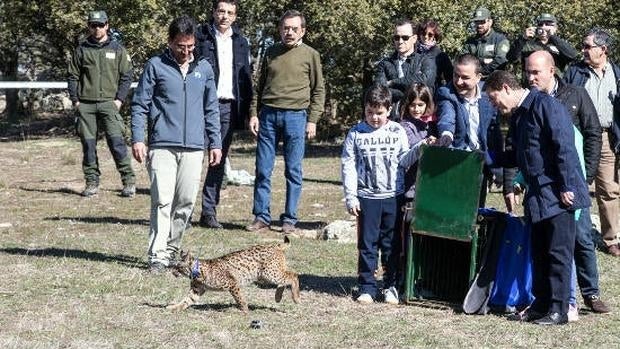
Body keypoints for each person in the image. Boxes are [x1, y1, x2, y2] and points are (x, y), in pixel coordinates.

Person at [486, 70, 590, 325]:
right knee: (540, 253)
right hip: (537, 195)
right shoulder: (519, 115)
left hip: (558, 192)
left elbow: (564, 146)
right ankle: (541, 304)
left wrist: (567, 186)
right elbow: (517, 156)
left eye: (493, 98)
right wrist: (487, 156)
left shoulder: (546, 105)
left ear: (506, 88)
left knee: (558, 253)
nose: (494, 104)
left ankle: (559, 309)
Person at [130, 15, 222, 273]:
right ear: (170, 42)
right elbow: (140, 105)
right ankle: (157, 255)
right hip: (162, 145)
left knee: (185, 203)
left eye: (190, 46)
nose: (186, 51)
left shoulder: (204, 69)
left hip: (194, 147)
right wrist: (138, 138)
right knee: (162, 200)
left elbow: (211, 108)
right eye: (181, 46)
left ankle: (172, 251)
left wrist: (214, 142)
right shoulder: (155, 65)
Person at [525, 50, 610, 314]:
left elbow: (593, 133)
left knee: (582, 237)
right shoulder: (530, 100)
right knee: (552, 243)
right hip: (548, 185)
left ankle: (591, 292)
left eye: (535, 72)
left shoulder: (575, 94)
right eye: (527, 72)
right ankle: (557, 299)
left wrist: (585, 176)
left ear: (551, 70)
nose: (530, 77)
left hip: (572, 182)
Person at [341, 84, 431, 305]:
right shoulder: (355, 133)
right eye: (370, 112)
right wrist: (351, 196)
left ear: (389, 110)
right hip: (367, 198)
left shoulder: (397, 131)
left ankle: (391, 285)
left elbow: (404, 160)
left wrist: (420, 148)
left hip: (393, 197)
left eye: (379, 113)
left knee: (392, 245)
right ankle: (367, 287)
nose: (374, 117)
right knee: (367, 244)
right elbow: (348, 166)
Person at [246, 10, 326, 234]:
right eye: (285, 28)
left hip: (296, 116)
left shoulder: (311, 55)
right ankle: (261, 216)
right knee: (263, 169)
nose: (289, 32)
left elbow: (319, 90)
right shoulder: (271, 52)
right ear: (280, 29)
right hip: (268, 116)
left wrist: (313, 120)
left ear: (302, 30)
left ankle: (289, 219)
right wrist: (254, 113)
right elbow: (258, 87)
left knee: (293, 170)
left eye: (294, 28)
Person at [195, 0, 253, 229]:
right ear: (213, 13)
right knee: (191, 157)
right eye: (221, 11)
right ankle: (182, 210)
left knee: (217, 161)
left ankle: (208, 212)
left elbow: (246, 77)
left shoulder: (241, 42)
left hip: (228, 107)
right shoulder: (200, 37)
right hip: (201, 107)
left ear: (235, 16)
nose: (225, 16)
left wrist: (249, 111)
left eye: (230, 12)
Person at [564, 27, 620, 257]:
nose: (583, 50)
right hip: (580, 136)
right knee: (577, 185)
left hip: (607, 137)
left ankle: (612, 238)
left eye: (588, 46)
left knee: (609, 189)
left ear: (603, 49)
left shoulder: (617, 73)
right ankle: (573, 234)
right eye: (584, 46)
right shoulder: (574, 72)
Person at [67, 10, 136, 197]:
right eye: (93, 25)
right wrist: (75, 101)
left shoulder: (118, 49)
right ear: (89, 27)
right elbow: (73, 76)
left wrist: (119, 100)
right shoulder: (81, 50)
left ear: (107, 25)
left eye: (100, 25)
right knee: (88, 145)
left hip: (109, 104)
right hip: (86, 106)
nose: (97, 29)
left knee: (117, 142)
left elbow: (127, 75)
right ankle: (91, 182)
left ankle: (128, 181)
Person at [436, 54, 503, 207]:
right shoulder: (446, 93)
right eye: (455, 75)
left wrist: (498, 169)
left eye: (465, 78)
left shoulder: (489, 95)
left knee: (475, 210)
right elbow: (447, 117)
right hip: (455, 162)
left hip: (481, 162)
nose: (459, 82)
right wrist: (446, 135)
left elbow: (495, 134)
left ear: (478, 77)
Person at [374, 19, 436, 120]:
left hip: (420, 123)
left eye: (405, 38)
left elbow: (426, 82)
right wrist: (411, 93)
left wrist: (393, 82)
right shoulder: (384, 63)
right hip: (392, 121)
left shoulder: (426, 60)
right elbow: (380, 92)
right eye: (396, 37)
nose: (400, 41)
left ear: (414, 38)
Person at [507, 13, 578, 84]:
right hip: (532, 86)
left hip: (555, 88)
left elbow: (572, 56)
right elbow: (511, 58)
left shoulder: (560, 46)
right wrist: (522, 38)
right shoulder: (527, 45)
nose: (544, 27)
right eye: (540, 24)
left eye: (548, 24)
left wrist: (553, 37)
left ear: (556, 28)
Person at [462, 6, 510, 79]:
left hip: (494, 81)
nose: (479, 25)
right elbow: (464, 59)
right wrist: (483, 60)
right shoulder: (470, 41)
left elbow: (501, 60)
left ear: (490, 22)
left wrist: (482, 71)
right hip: (473, 81)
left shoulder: (500, 39)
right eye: (477, 22)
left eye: (482, 22)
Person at [416, 19, 453, 88]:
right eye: (423, 33)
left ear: (435, 36)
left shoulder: (441, 56)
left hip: (432, 94)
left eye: (430, 35)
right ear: (419, 34)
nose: (426, 37)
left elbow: (450, 79)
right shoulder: (412, 52)